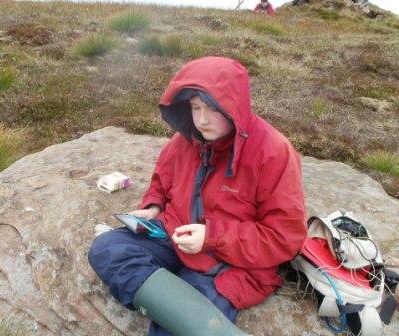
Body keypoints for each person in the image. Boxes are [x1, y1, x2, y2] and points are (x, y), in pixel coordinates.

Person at [88, 56, 307, 336]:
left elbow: (283, 238)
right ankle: (177, 304)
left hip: (229, 265)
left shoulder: (274, 153)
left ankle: (177, 306)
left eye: (213, 109)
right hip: (173, 237)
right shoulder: (186, 140)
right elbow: (162, 181)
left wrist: (211, 237)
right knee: (107, 247)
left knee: (173, 328)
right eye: (194, 107)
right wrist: (153, 206)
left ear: (234, 107)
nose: (202, 120)